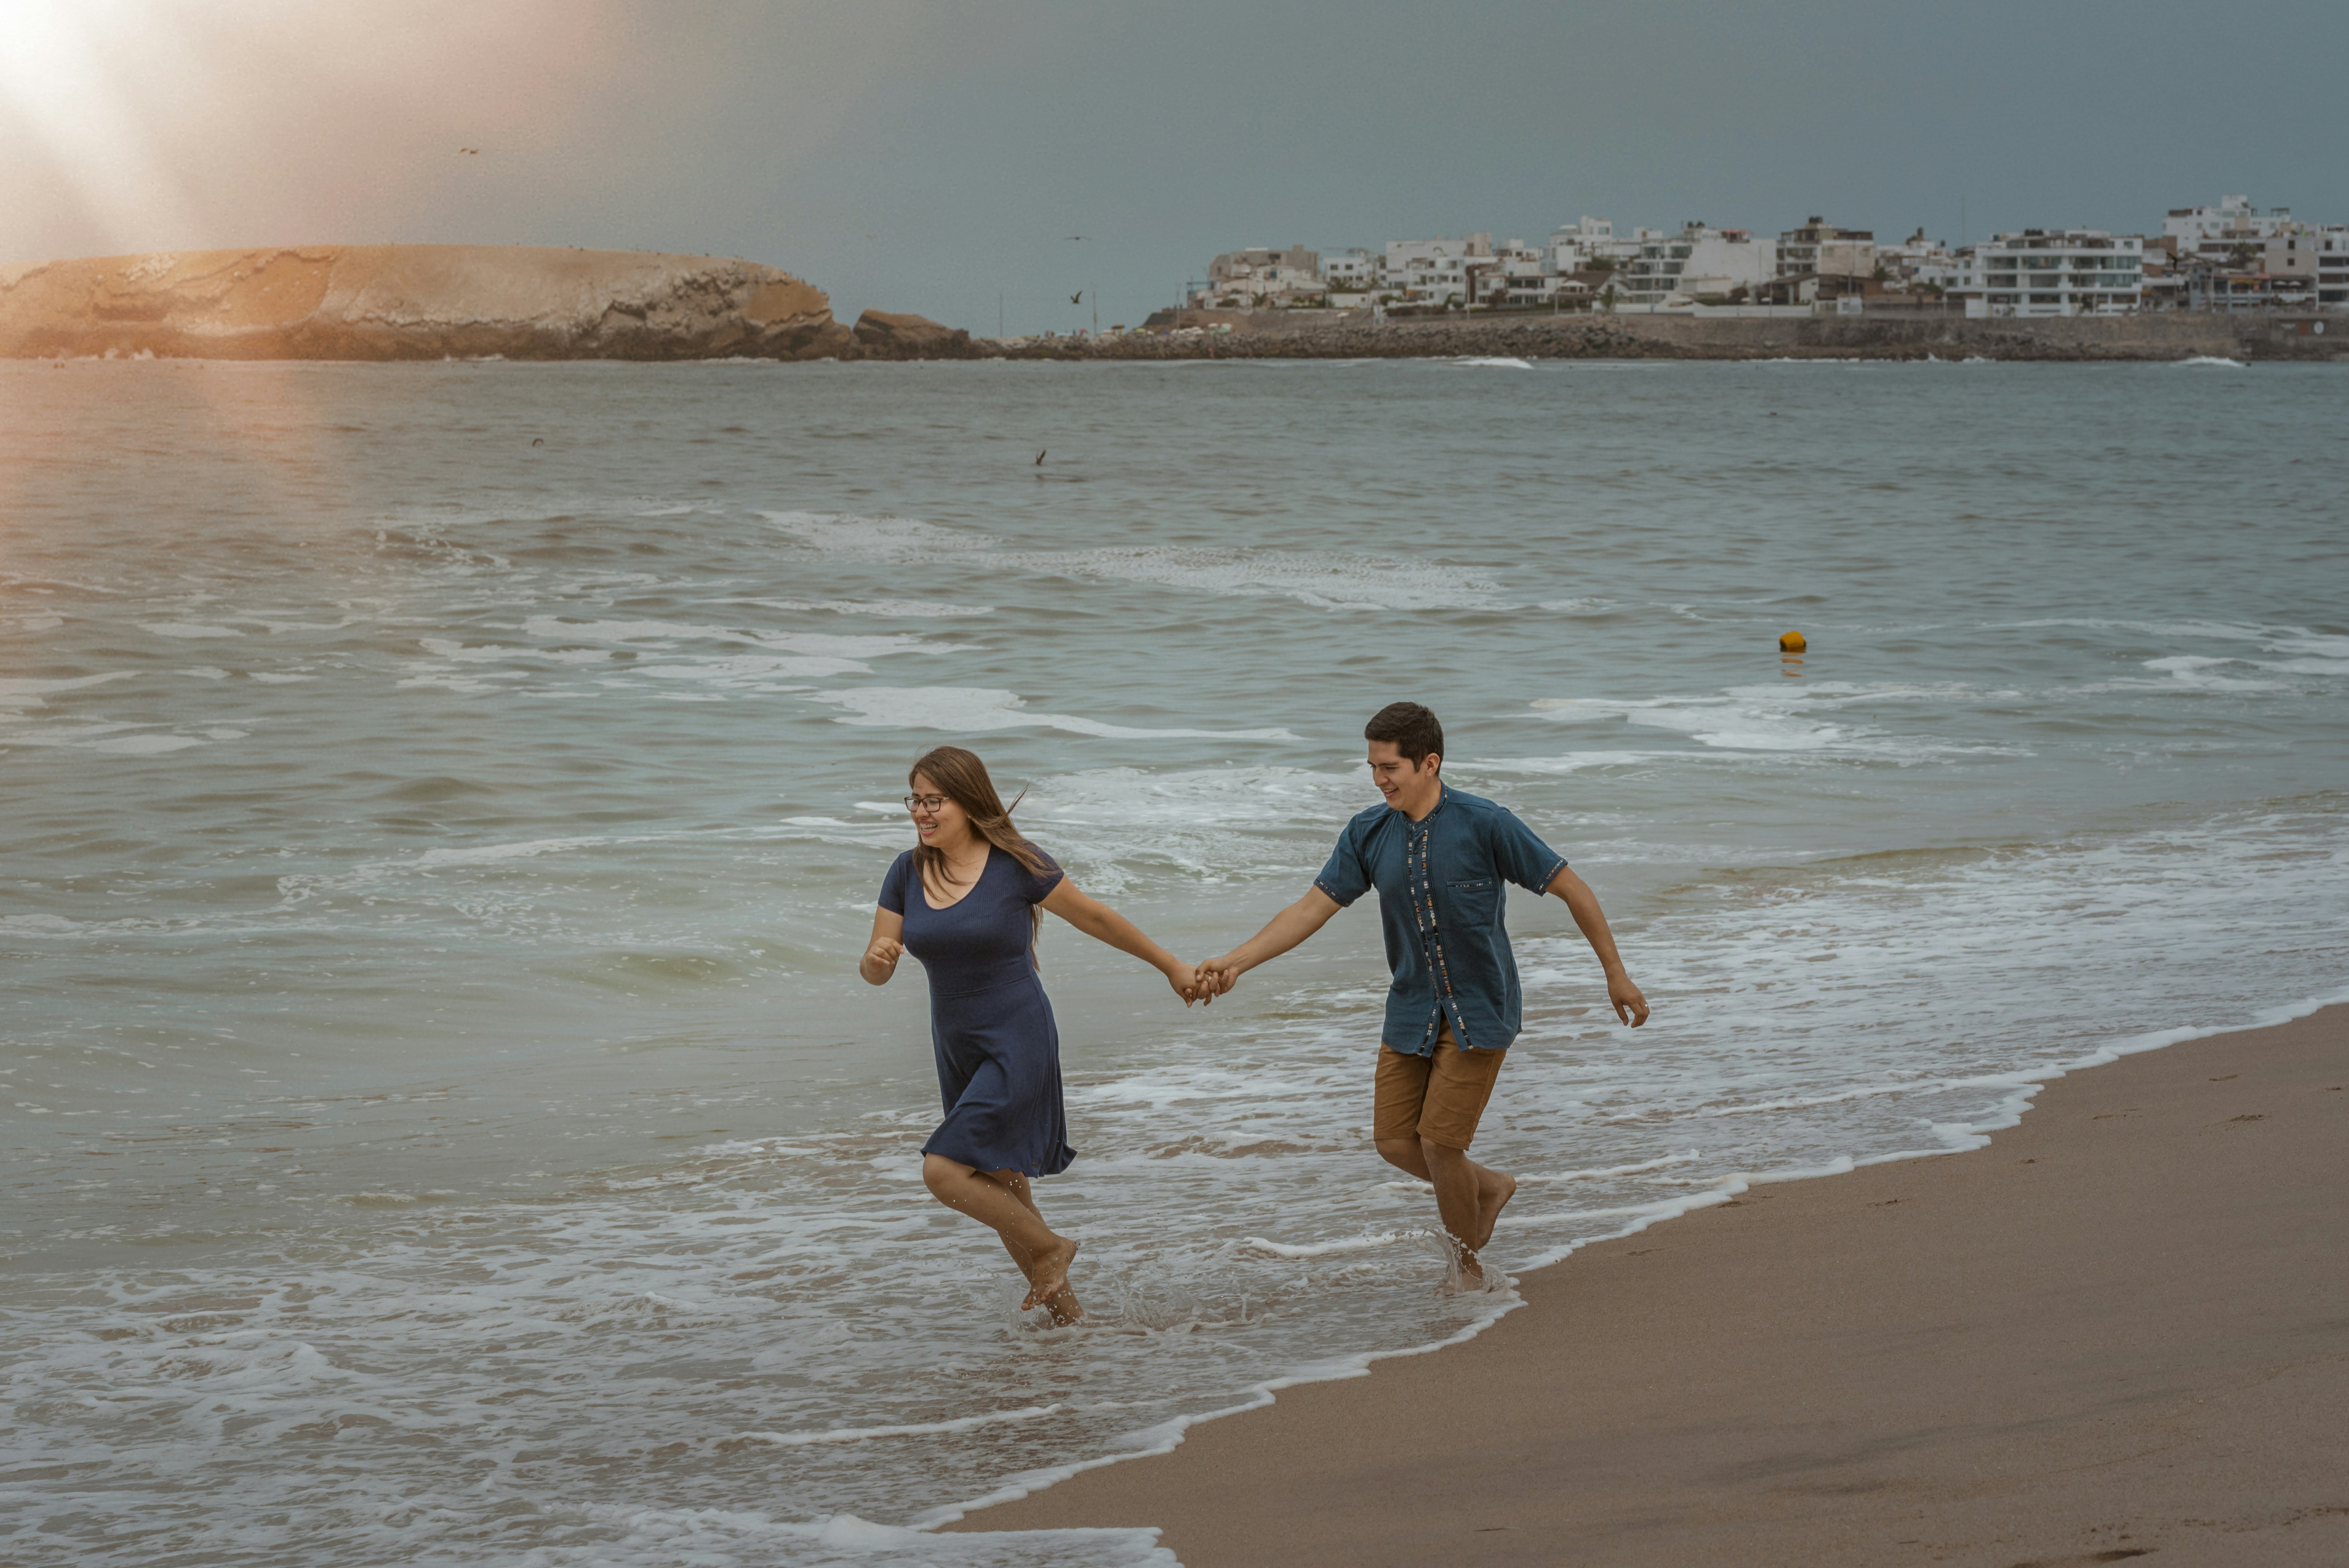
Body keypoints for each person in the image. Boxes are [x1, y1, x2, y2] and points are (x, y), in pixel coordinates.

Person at [1197, 702, 1649, 1288]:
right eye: (1373, 768)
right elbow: (1311, 909)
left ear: (1429, 763)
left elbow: (1573, 887)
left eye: (1390, 768)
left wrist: (1616, 973)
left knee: (1439, 1144)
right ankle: (1490, 1186)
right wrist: (1235, 962)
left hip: (1480, 1008)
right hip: (1411, 1007)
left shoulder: (1486, 823)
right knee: (1394, 1142)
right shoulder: (1368, 832)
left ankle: (1466, 1268)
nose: (1380, 779)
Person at [861, 745, 1203, 1325]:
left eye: (933, 800)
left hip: (1017, 1037)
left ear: (967, 802)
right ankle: (1071, 1321)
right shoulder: (906, 871)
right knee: (1003, 1191)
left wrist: (1170, 965)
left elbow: (1094, 915)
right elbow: (875, 970)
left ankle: (1052, 1248)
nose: (921, 811)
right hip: (957, 1047)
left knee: (944, 1170)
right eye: (914, 799)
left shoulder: (1014, 863)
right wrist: (878, 957)